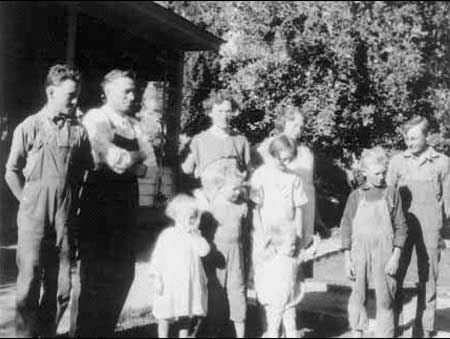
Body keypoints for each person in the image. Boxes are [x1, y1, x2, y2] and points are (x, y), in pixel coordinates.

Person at [4, 64, 93, 337]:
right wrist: (27, 202)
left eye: (77, 94)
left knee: (61, 286)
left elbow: (85, 172)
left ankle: (46, 332)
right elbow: (11, 171)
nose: (76, 100)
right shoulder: (29, 127)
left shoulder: (79, 132)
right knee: (29, 280)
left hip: (65, 218)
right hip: (34, 215)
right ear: (51, 91)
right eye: (70, 95)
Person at [77, 69, 157, 337]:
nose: (132, 96)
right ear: (108, 91)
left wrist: (130, 160)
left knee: (124, 274)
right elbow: (114, 162)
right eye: (127, 91)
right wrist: (138, 156)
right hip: (99, 206)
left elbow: (152, 168)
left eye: (134, 91)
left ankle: (104, 331)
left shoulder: (134, 125)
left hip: (126, 207)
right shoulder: (96, 118)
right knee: (96, 278)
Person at [386, 116, 450, 338]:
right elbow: (388, 198)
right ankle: (390, 325)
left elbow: (448, 199)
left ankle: (424, 328)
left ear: (427, 136)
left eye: (414, 138)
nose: (409, 142)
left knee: (428, 278)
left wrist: (445, 228)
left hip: (430, 226)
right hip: (402, 227)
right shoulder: (397, 162)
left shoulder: (442, 162)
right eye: (406, 138)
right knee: (394, 275)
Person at [341, 147, 408, 338]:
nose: (381, 177)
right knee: (357, 295)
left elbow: (401, 227)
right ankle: (357, 332)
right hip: (359, 251)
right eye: (377, 173)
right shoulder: (355, 196)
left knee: (386, 298)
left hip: (385, 251)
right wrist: (347, 259)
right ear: (364, 173)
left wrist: (395, 257)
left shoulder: (391, 194)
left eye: (384, 172)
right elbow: (346, 226)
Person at [250, 135, 308, 336]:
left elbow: (299, 209)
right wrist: (261, 237)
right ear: (272, 155)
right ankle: (268, 330)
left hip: (287, 239)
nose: (285, 163)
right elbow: (255, 209)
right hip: (265, 238)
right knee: (267, 284)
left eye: (289, 159)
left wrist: (298, 236)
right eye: (281, 158)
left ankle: (288, 330)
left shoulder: (294, 178)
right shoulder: (261, 175)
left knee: (287, 282)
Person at [193, 159, 248, 338]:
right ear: (220, 187)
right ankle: (212, 331)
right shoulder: (212, 207)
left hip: (236, 254)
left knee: (237, 290)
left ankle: (240, 332)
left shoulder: (242, 206)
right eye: (234, 188)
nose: (238, 191)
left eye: (240, 188)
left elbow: (246, 231)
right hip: (217, 255)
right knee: (215, 292)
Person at [252, 105, 316, 252]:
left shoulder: (306, 154)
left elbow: (310, 188)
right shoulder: (265, 149)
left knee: (299, 263)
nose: (298, 130)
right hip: (276, 220)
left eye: (301, 126)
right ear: (284, 122)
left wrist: (316, 219)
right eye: (295, 125)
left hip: (303, 218)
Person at [148, 194, 210, 338]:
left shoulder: (194, 236)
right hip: (170, 282)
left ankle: (183, 336)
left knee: (185, 313)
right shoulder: (168, 235)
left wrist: (196, 235)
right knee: (165, 313)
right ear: (176, 217)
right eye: (187, 217)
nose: (190, 221)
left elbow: (204, 251)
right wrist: (156, 277)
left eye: (193, 218)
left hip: (188, 283)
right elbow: (158, 258)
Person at [254, 225, 319, 338]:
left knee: (291, 325)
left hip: (289, 300)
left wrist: (316, 243)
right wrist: (267, 241)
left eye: (294, 244)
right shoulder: (272, 259)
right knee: (273, 326)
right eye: (291, 245)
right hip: (275, 301)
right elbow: (260, 257)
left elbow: (308, 254)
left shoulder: (294, 259)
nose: (294, 247)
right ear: (278, 246)